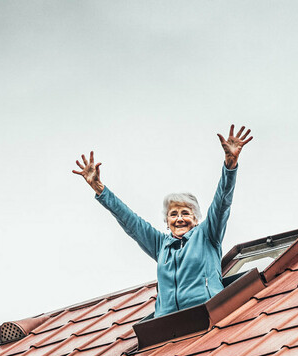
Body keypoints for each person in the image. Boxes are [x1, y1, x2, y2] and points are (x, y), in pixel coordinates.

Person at [73, 125, 253, 316]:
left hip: (207, 313)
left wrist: (230, 166)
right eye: (173, 214)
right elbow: (130, 221)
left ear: (196, 218)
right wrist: (100, 189)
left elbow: (222, 201)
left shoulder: (207, 235)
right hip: (168, 322)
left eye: (185, 213)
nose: (179, 219)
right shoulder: (161, 245)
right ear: (167, 221)